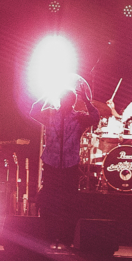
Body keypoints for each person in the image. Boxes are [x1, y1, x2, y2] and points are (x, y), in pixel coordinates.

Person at [38, 79, 97, 249]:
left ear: (72, 101)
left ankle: (66, 239)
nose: (65, 102)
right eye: (63, 99)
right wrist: (46, 95)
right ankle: (48, 237)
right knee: (49, 201)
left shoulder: (79, 117)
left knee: (68, 203)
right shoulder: (50, 114)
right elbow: (33, 111)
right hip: (51, 163)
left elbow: (95, 117)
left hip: (70, 165)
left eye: (68, 99)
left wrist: (86, 100)